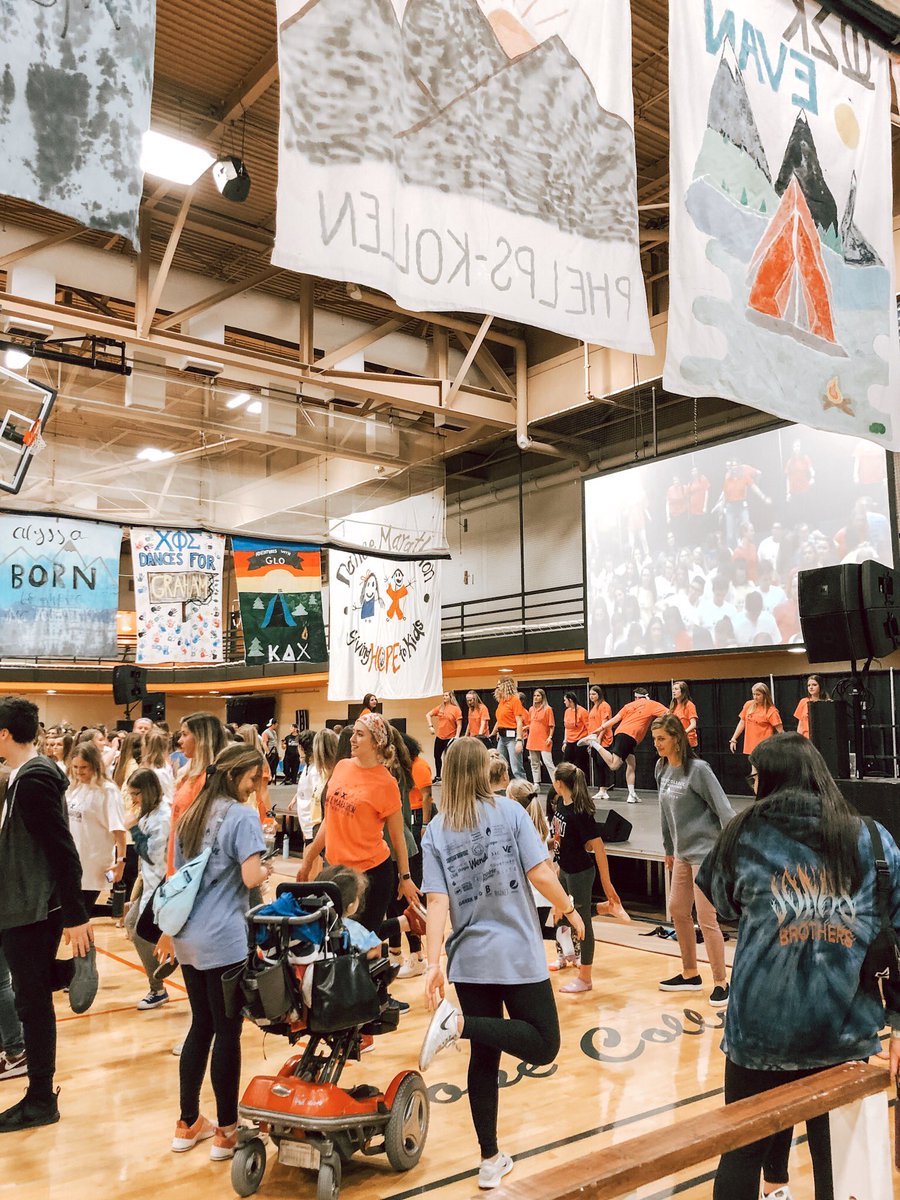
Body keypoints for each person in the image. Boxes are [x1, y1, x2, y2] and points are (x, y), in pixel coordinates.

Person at [697, 734, 900, 1200]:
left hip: (758, 1034)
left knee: (740, 1153)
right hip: (843, 1032)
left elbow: (723, 904)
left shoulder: (741, 833)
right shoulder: (873, 837)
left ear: (768, 779)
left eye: (754, 775)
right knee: (838, 1164)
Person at [418, 738, 585, 1190]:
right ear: (481, 770)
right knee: (544, 1044)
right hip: (516, 954)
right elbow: (540, 873)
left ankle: (489, 1159)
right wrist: (570, 910)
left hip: (468, 958)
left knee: (485, 1061)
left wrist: (433, 962)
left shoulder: (434, 829)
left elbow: (436, 902)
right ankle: (458, 1025)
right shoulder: (510, 813)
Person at [156, 743, 271, 1161]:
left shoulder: (192, 812)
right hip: (224, 938)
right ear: (239, 775)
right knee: (227, 1032)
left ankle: (188, 1123)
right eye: (255, 778)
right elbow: (250, 875)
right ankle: (226, 1131)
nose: (258, 784)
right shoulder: (242, 815)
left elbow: (179, 871)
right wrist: (266, 867)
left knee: (199, 1026)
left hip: (188, 935)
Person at [0, 697, 95, 1132]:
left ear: (4, 734)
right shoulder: (23, 776)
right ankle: (67, 972)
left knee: (31, 1003)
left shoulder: (35, 780)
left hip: (33, 911)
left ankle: (40, 1098)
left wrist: (76, 917)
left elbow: (63, 852)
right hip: (24, 906)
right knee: (31, 992)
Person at [297, 714, 420, 931]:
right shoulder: (342, 766)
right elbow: (329, 820)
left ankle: (405, 923)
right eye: (353, 732)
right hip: (335, 870)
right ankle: (404, 923)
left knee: (359, 940)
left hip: (371, 873)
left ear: (376, 743)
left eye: (360, 734)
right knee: (333, 935)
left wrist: (405, 877)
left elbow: (398, 835)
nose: (352, 739)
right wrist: (309, 860)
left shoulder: (386, 783)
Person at [650, 715, 733, 1006]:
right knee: (677, 909)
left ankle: (722, 981)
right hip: (682, 853)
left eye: (661, 738)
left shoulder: (698, 770)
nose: (657, 744)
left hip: (706, 853)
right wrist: (668, 848)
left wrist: (730, 849)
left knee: (706, 917)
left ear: (676, 738)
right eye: (655, 739)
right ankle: (690, 973)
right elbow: (664, 815)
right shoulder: (661, 768)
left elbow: (725, 811)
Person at [550, 762, 628, 993]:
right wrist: (556, 864)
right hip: (564, 869)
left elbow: (599, 847)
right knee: (565, 915)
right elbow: (560, 839)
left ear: (560, 783)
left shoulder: (580, 812)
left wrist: (607, 882)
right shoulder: (560, 805)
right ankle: (605, 908)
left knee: (582, 923)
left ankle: (585, 978)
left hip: (581, 873)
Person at [123, 768, 172, 1010]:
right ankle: (159, 982)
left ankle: (157, 987)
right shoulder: (148, 811)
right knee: (132, 924)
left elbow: (152, 856)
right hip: (149, 882)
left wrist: (132, 829)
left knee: (140, 931)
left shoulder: (163, 817)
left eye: (136, 794)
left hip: (162, 884)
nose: (133, 799)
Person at [67, 741, 127, 913]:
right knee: (75, 918)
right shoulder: (74, 787)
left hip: (94, 866)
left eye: (84, 767)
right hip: (73, 864)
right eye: (75, 767)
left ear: (95, 765)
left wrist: (121, 861)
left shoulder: (107, 791)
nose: (79, 772)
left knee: (80, 915)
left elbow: (118, 830)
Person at [596, 687, 668, 803]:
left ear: (638, 697)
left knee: (631, 764)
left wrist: (600, 729)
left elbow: (614, 720)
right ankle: (594, 744)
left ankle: (631, 794)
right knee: (614, 765)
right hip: (628, 736)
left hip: (621, 734)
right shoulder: (651, 704)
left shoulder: (629, 706)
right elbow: (668, 714)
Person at [729, 683, 783, 759]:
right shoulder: (748, 705)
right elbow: (742, 722)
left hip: (765, 747)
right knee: (754, 768)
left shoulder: (771, 711)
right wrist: (733, 739)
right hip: (751, 746)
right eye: (753, 694)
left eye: (758, 694)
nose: (755, 697)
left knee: (764, 768)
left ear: (765, 695)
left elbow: (780, 732)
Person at [491, 678, 527, 781]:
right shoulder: (502, 702)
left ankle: (525, 792)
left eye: (499, 685)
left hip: (513, 738)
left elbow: (519, 721)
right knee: (499, 765)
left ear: (505, 686)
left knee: (516, 769)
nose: (497, 688)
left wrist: (519, 740)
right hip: (502, 738)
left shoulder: (515, 700)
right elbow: (499, 720)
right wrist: (493, 733)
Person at [582, 685, 612, 801]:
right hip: (593, 739)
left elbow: (605, 723)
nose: (591, 696)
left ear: (599, 694)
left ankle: (604, 789)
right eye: (590, 694)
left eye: (594, 694)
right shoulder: (594, 707)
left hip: (602, 740)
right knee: (597, 765)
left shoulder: (604, 706)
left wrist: (599, 737)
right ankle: (601, 789)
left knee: (602, 764)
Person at [426, 691, 462, 782]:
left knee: (450, 758)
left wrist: (457, 736)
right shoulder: (440, 707)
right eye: (443, 695)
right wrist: (430, 726)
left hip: (450, 737)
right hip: (440, 736)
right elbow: (428, 715)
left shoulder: (456, 709)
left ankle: (451, 777)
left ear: (450, 697)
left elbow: (459, 724)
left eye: (446, 695)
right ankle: (438, 776)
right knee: (437, 756)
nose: (444, 697)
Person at [526, 688, 555, 789]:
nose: (536, 698)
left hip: (544, 739)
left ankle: (556, 783)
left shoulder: (548, 709)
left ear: (543, 697)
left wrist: (550, 737)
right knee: (534, 763)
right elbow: (530, 723)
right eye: (534, 695)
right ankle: (536, 783)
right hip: (532, 739)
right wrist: (523, 728)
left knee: (548, 762)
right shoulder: (531, 709)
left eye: (538, 696)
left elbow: (551, 725)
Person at [560, 691, 590, 775]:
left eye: (565, 700)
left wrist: (588, 742)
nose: (564, 702)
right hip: (570, 741)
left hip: (580, 742)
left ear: (570, 700)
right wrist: (565, 741)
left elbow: (589, 728)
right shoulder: (567, 712)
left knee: (580, 765)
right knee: (565, 764)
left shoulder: (582, 711)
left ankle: (582, 785)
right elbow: (566, 727)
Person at [794, 674, 831, 739]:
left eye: (814, 685)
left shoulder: (827, 702)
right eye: (809, 685)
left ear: (820, 686)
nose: (811, 687)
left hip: (822, 738)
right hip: (806, 739)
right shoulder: (803, 701)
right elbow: (800, 725)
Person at [669, 680, 698, 749]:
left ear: (683, 691)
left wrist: (683, 733)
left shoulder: (689, 705)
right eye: (673, 689)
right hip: (676, 741)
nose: (673, 691)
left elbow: (693, 724)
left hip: (688, 742)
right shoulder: (673, 706)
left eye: (676, 689)